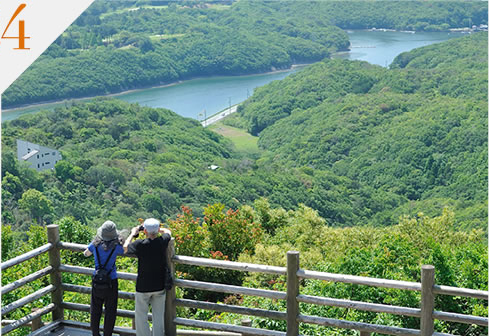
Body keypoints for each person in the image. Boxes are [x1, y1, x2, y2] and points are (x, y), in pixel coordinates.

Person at [124, 218, 172, 336]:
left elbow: (125, 247)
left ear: (144, 230)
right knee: (158, 317)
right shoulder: (162, 241)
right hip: (159, 285)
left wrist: (133, 233)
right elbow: (168, 232)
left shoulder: (139, 244)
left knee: (141, 316)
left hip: (143, 286)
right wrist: (159, 229)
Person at [84, 220, 125, 336]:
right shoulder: (116, 247)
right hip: (111, 281)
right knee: (110, 311)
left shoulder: (95, 244)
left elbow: (86, 253)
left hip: (97, 280)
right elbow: (126, 249)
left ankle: (95, 334)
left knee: (95, 310)